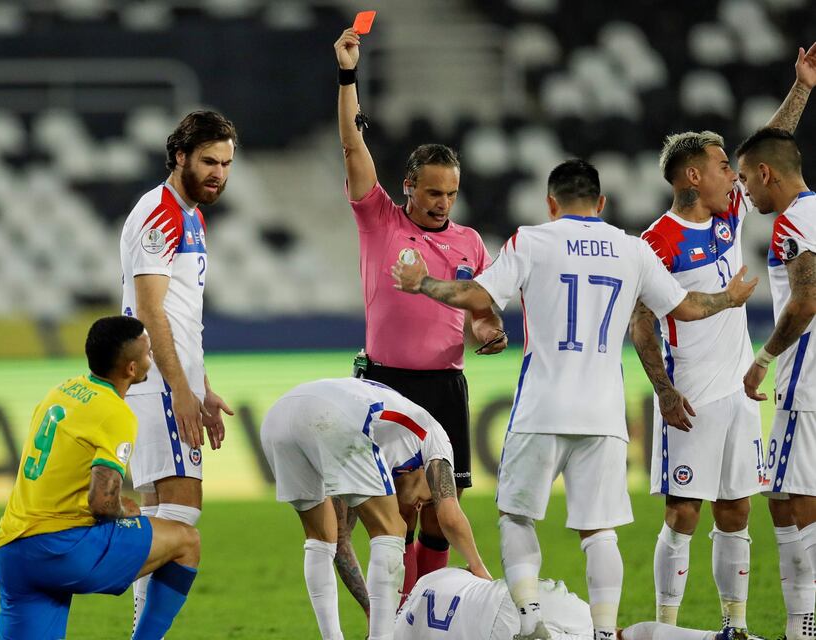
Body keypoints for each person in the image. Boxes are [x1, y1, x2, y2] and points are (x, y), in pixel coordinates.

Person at [391, 159, 757, 640]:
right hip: (604, 411)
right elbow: (686, 307)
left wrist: (424, 284)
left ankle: (528, 620)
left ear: (550, 203)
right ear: (601, 203)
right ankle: (604, 633)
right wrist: (728, 299)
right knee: (599, 531)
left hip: (541, 405)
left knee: (517, 516)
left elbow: (476, 293)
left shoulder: (531, 240)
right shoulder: (632, 249)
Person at [629, 43, 816, 637]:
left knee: (737, 513)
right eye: (720, 168)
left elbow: (770, 152)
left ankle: (733, 627)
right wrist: (661, 390)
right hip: (690, 392)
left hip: (739, 392)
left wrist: (803, 89)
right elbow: (641, 322)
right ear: (692, 175)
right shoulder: (655, 241)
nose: (733, 178)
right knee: (682, 513)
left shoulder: (729, 215)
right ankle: (665, 626)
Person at [334, 26, 503, 599]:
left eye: (450, 194)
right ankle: (398, 611)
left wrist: (489, 330)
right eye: (433, 193)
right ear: (409, 187)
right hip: (387, 384)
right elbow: (354, 147)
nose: (442, 203)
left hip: (446, 387)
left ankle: (425, 609)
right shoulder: (380, 219)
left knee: (437, 512)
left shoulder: (471, 243)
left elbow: (482, 312)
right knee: (396, 510)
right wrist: (348, 76)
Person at [0, 316, 200, 640]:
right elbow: (102, 503)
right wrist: (124, 509)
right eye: (147, 352)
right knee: (186, 541)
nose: (151, 358)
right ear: (131, 369)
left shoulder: (60, 392)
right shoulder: (115, 413)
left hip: (13, 552)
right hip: (60, 549)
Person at [118, 110, 238, 628]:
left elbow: (183, 315)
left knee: (159, 520)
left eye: (227, 163)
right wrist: (180, 390)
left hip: (170, 382)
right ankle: (73, 564)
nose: (219, 172)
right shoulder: (161, 212)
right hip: (158, 385)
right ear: (180, 156)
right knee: (181, 518)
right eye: (209, 160)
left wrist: (202, 387)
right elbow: (150, 310)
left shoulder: (191, 214)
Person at [260, 377, 491, 640]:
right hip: (335, 415)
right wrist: (478, 566)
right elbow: (449, 514)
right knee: (392, 530)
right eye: (428, 499)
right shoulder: (435, 437)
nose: (420, 505)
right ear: (424, 471)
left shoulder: (384, 442)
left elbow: (340, 534)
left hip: (278, 419)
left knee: (321, 539)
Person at [738, 127, 816, 640]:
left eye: (746, 179)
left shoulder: (792, 223)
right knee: (782, 497)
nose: (744, 190)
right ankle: (798, 624)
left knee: (798, 500)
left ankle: (806, 623)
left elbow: (805, 299)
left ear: (766, 173)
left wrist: (763, 359)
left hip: (805, 382)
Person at [394, 568, 757, 640]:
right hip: (521, 595)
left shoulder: (399, 630)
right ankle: (713, 637)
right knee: (614, 636)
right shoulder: (433, 579)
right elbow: (479, 577)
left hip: (501, 627)